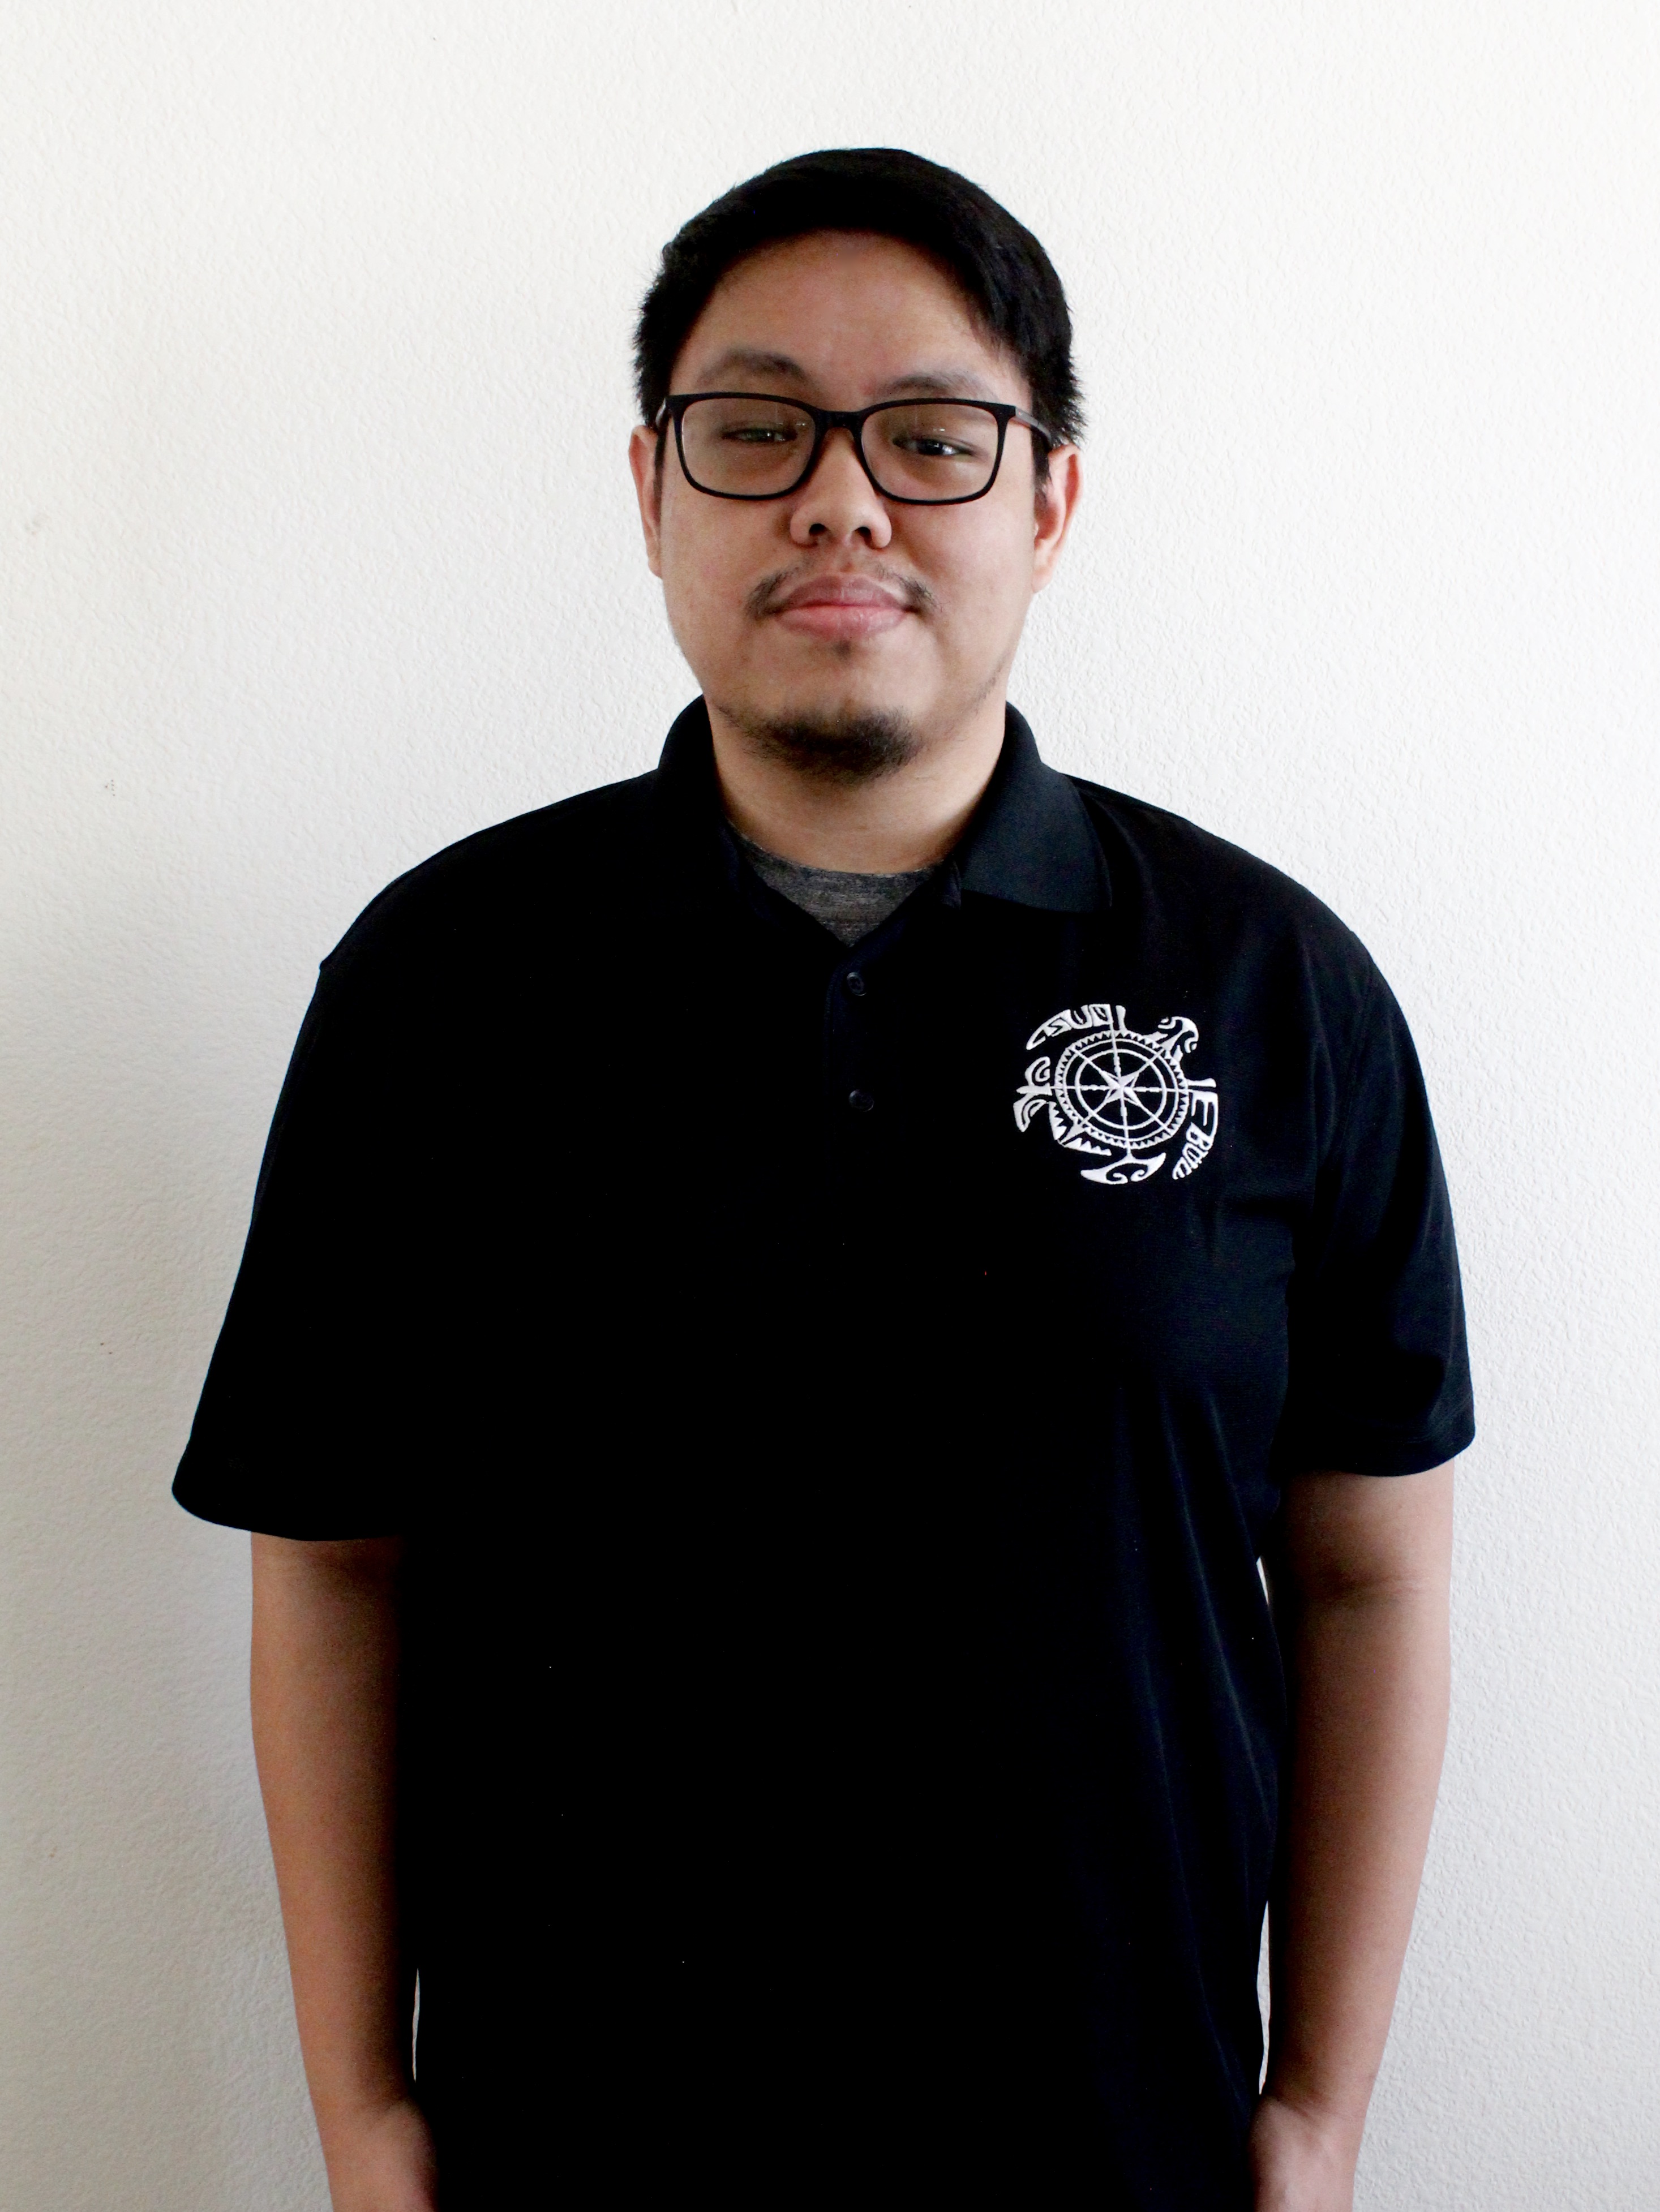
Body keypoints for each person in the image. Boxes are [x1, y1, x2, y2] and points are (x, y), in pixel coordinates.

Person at [175, 148, 1472, 2210]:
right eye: (757, 429)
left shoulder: (1270, 989)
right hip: (577, 2142)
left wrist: (1312, 2121)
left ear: (1049, 500)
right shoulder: (449, 982)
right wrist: (367, 2121)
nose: (843, 499)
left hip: (1115, 2147)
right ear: (652, 489)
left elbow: (1369, 1568)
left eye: (934, 438)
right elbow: (332, 1564)